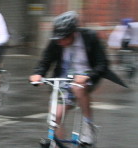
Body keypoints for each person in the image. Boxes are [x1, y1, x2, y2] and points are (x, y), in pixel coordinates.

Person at [29, 11, 126, 146]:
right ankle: (57, 143)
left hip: (86, 77)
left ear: (73, 33)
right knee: (56, 116)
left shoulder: (90, 37)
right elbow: (46, 60)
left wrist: (87, 76)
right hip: (63, 79)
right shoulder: (56, 41)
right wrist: (38, 73)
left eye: (64, 38)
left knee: (77, 88)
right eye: (58, 38)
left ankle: (88, 127)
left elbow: (102, 64)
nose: (61, 42)